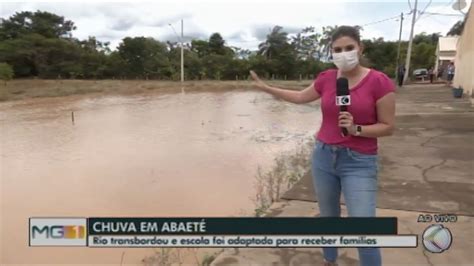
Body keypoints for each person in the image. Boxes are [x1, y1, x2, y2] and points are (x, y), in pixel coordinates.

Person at [250, 25, 395, 266]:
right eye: (337, 50)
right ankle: (329, 260)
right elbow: (299, 97)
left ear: (360, 48)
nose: (343, 53)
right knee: (329, 218)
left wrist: (356, 128)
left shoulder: (379, 81)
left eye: (349, 48)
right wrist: (266, 89)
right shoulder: (327, 78)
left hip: (359, 161)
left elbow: (388, 126)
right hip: (324, 157)